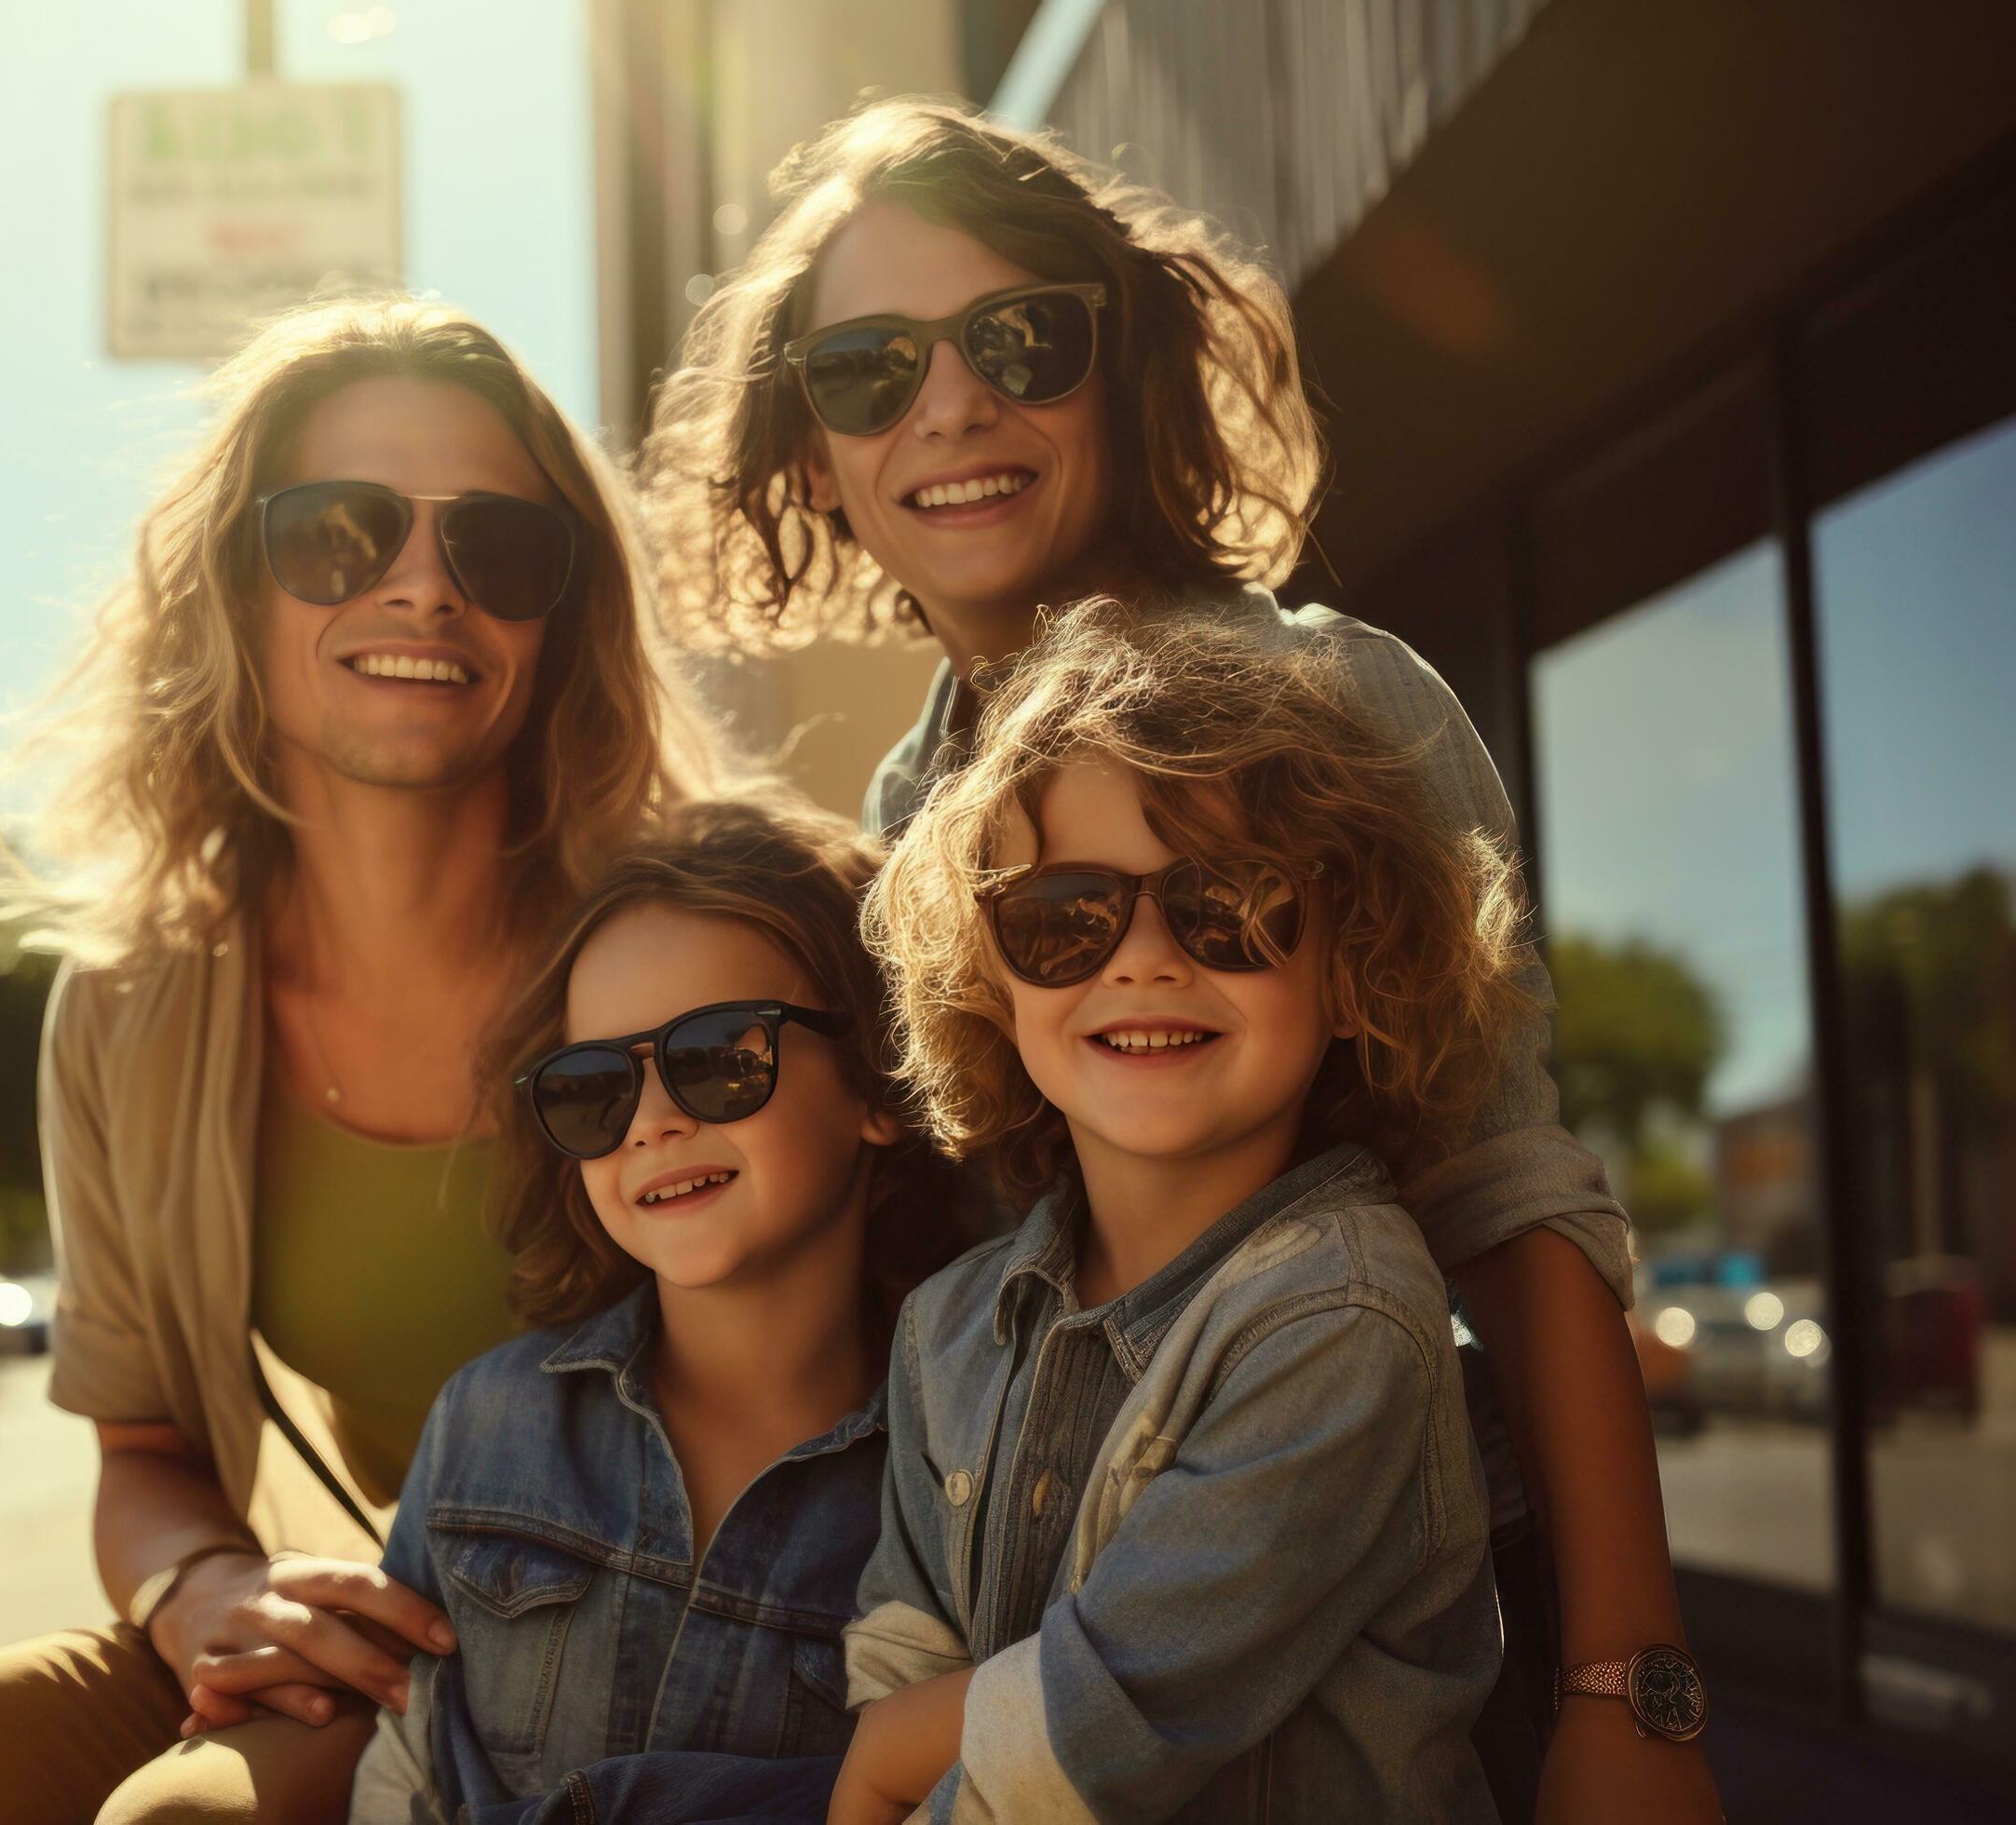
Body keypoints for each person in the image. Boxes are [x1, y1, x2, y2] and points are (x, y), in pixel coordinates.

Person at [640, 98, 1719, 1820]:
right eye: (869, 370)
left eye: (1018, 338)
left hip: (1346, 1666)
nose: (951, 405)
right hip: (1024, 1648)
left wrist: (1631, 1699)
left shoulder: (1335, 705)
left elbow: (1515, 1209)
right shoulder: (912, 804)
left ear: (1123, 364)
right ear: (815, 446)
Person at [0, 295, 716, 1825]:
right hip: (382, 1628)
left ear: (563, 617)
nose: (422, 586)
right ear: (233, 586)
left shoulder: (692, 945)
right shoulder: (136, 1007)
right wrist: (205, 1589)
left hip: (678, 1625)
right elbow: (141, 1444)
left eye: (497, 548)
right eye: (338, 534)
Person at [835, 610, 1525, 1819]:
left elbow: (1097, 1730)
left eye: (1232, 905)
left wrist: (888, 1765)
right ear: (988, 977)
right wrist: (887, 1744)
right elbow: (900, 1650)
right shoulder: (948, 1324)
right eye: (1064, 914)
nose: (1145, 957)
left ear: (1355, 963)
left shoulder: (1342, 1314)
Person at [331, 799, 971, 1823]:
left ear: (880, 1084)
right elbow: (401, 1775)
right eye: (594, 1087)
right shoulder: (488, 1423)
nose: (652, 1122)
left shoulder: (965, 1478)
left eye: (717, 1057)